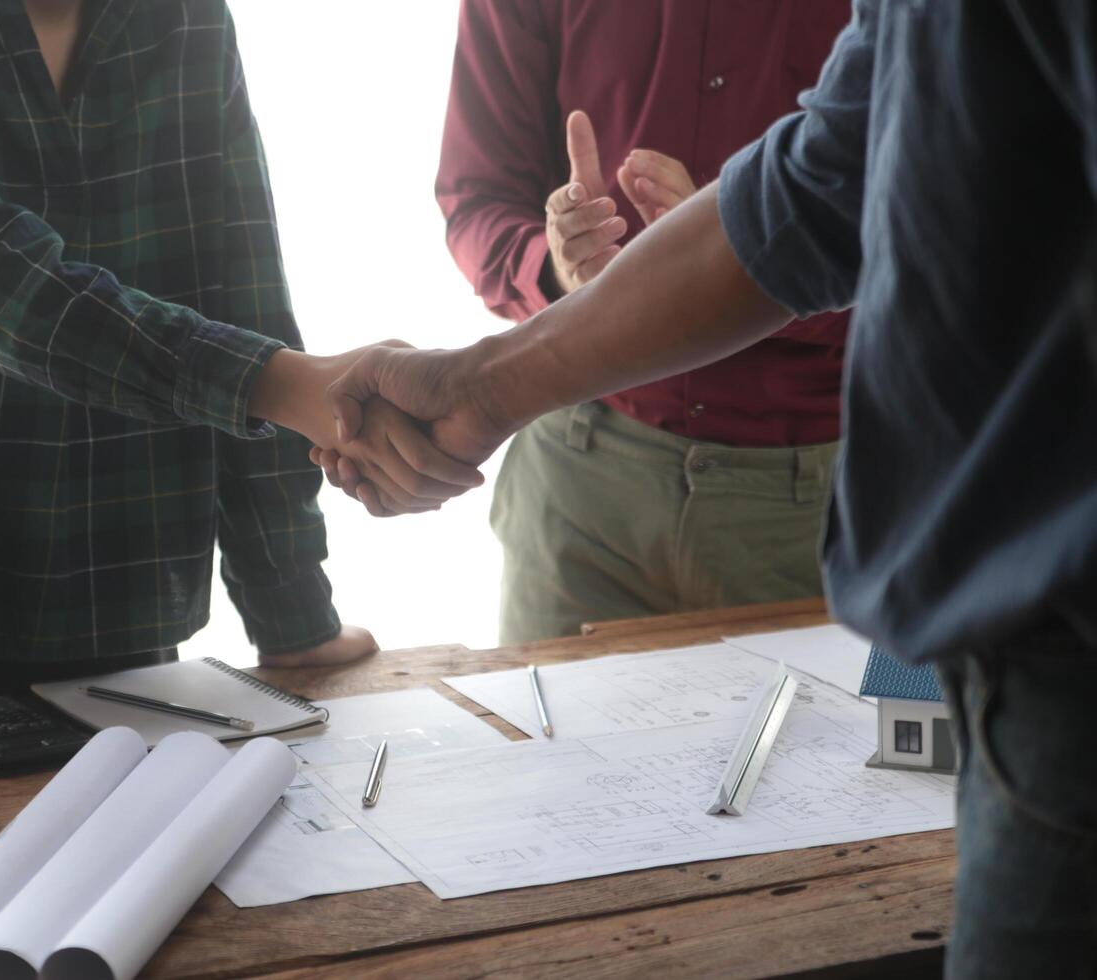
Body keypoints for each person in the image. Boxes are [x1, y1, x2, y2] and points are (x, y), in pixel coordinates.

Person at [324, 2, 1097, 973]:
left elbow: (850, 206)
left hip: (992, 605)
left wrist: (489, 379)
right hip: (992, 647)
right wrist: (514, 338)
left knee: (816, 911)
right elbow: (830, 182)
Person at [0, 0, 480, 706]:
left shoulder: (184, 17)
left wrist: (290, 610)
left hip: (111, 576)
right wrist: (293, 388)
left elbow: (240, 287)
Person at [436, 0, 851, 642]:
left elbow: (949, 237)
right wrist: (559, 270)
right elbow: (477, 198)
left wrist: (728, 256)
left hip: (811, 512)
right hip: (577, 493)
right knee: (544, 742)